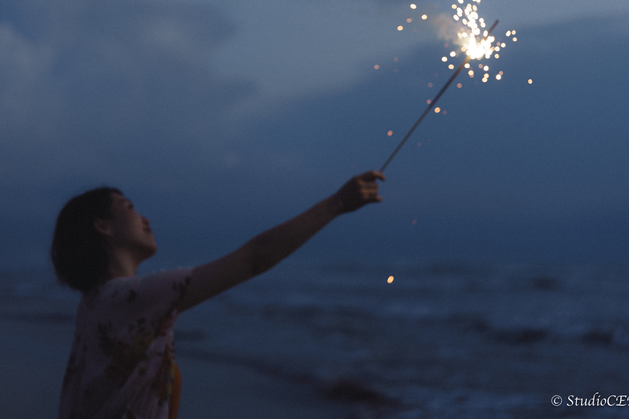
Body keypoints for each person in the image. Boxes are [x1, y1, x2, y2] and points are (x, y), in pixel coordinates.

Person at [51, 170, 385, 419]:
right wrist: (336, 204)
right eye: (129, 208)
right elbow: (253, 259)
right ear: (102, 226)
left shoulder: (95, 304)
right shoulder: (133, 297)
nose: (144, 218)